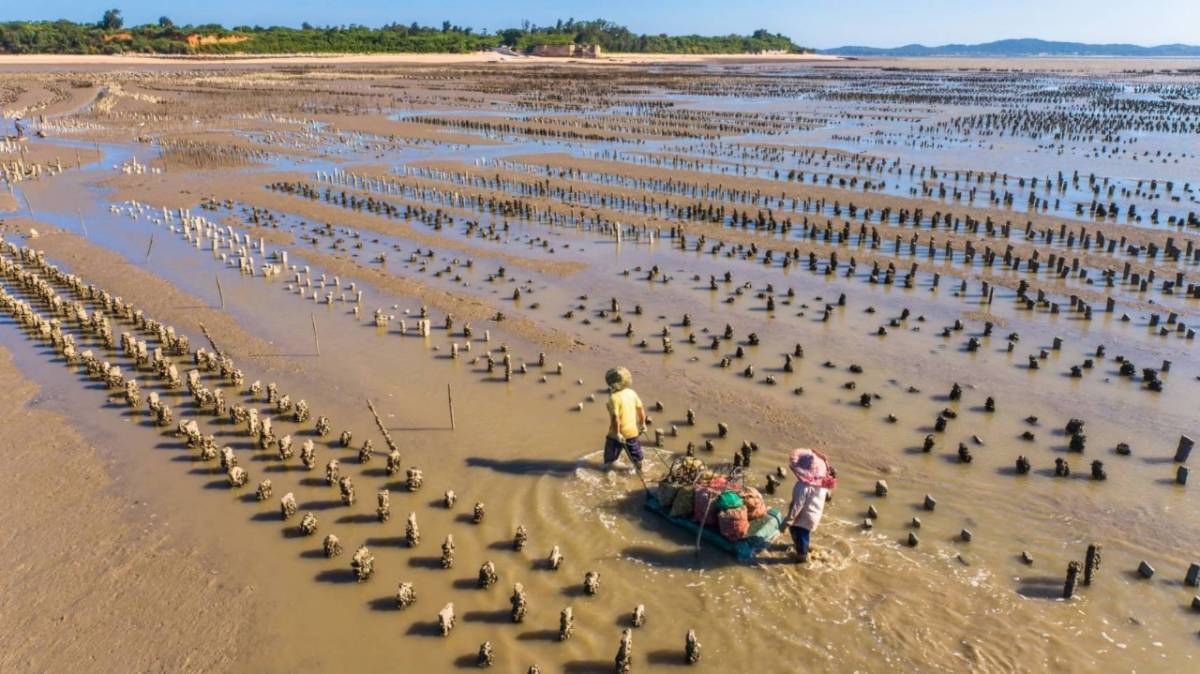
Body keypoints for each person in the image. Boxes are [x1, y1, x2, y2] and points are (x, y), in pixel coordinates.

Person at [784, 448, 837, 563]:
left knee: (798, 533)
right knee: (802, 534)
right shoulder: (821, 484)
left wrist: (788, 521)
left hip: (803, 516)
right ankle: (802, 548)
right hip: (813, 515)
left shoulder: (802, 486)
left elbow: (797, 506)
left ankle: (802, 557)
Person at [603, 366, 646, 472]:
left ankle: (610, 473)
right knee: (637, 456)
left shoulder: (614, 398)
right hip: (632, 431)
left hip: (616, 434)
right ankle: (639, 470)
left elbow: (616, 418)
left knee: (609, 460)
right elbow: (640, 409)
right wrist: (643, 424)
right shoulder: (631, 392)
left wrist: (617, 433)